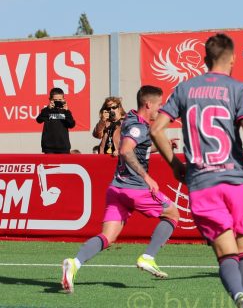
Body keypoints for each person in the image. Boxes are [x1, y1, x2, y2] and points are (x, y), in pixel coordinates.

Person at [150, 33, 243, 308]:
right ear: (233, 59)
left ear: (204, 60)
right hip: (237, 181)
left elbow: (156, 129)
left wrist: (176, 165)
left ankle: (238, 296)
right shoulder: (240, 89)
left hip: (202, 183)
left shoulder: (185, 89)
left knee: (226, 253)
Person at [62, 86, 180, 293]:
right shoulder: (139, 126)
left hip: (116, 189)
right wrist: (147, 177)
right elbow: (125, 150)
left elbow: (136, 146)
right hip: (135, 189)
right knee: (172, 213)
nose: (160, 109)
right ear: (148, 104)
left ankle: (74, 263)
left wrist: (162, 145)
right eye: (159, 105)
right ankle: (148, 257)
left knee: (108, 236)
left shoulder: (133, 120)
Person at [36, 87, 76, 154]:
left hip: (63, 146)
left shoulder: (66, 112)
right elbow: (39, 120)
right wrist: (48, 108)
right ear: (50, 100)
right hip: (49, 147)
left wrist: (66, 111)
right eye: (55, 100)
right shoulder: (46, 111)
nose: (58, 101)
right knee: (50, 164)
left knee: (64, 164)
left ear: (63, 99)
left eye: (60, 99)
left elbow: (71, 124)